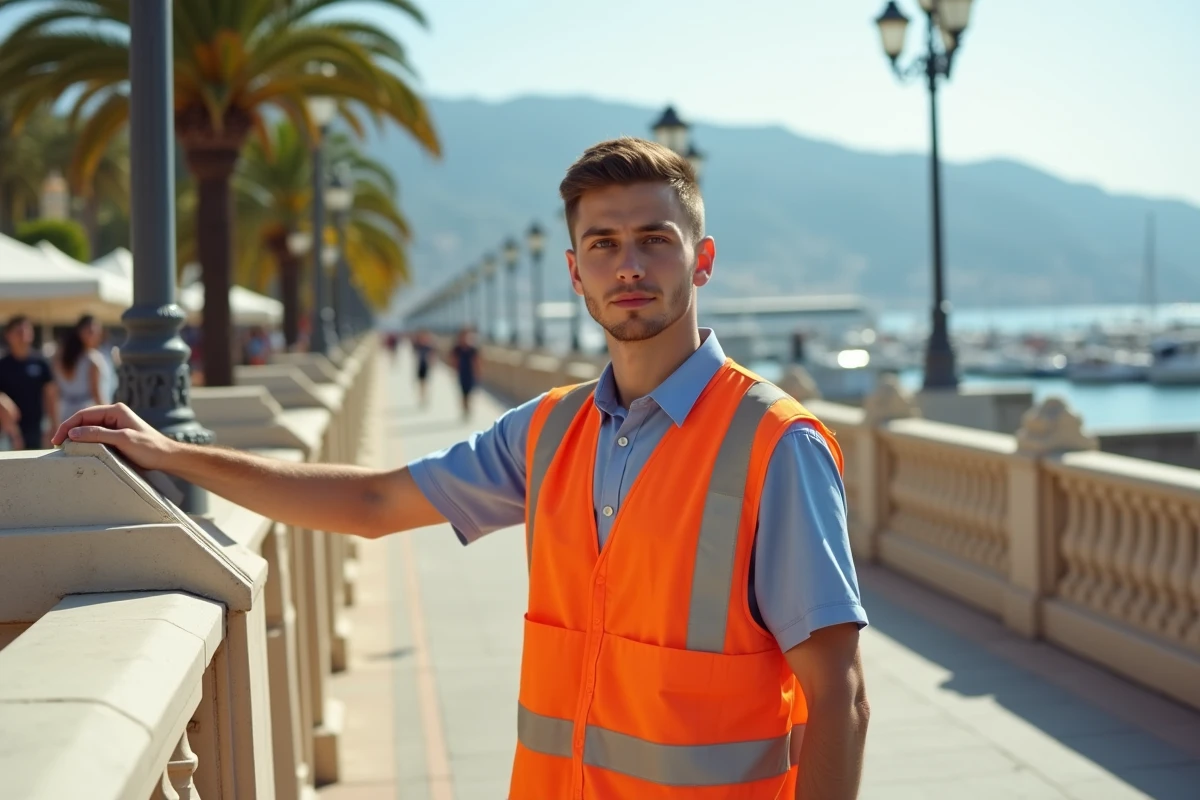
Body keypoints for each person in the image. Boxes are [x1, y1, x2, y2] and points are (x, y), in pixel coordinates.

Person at [54, 137, 869, 799]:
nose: (629, 265)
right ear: (574, 271)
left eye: (655, 240)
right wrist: (171, 453)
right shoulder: (548, 431)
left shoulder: (775, 446)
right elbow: (374, 504)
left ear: (702, 259)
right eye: (604, 244)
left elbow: (842, 697)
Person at [0, 315, 59, 450]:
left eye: (27, 331)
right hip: (8, 432)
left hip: (36, 427)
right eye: (19, 332)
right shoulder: (2, 365)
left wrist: (54, 425)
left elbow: (51, 394)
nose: (23, 336)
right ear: (8, 335)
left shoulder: (41, 362)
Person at [54, 314, 113, 422]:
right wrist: (109, 415)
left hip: (65, 411)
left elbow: (56, 390)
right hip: (87, 412)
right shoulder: (93, 358)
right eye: (92, 332)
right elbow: (96, 394)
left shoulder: (61, 356)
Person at [450, 327, 480, 420]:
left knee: (470, 393)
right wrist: (454, 371)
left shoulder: (473, 349)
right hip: (461, 373)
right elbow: (453, 360)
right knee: (463, 393)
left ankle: (468, 408)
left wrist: (478, 373)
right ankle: (464, 409)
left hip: (470, 373)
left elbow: (476, 362)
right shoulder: (457, 348)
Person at [412, 330, 434, 408]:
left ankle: (425, 398)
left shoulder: (428, 347)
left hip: (426, 367)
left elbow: (432, 357)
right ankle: (422, 398)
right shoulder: (418, 346)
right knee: (421, 384)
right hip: (420, 367)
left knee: (425, 384)